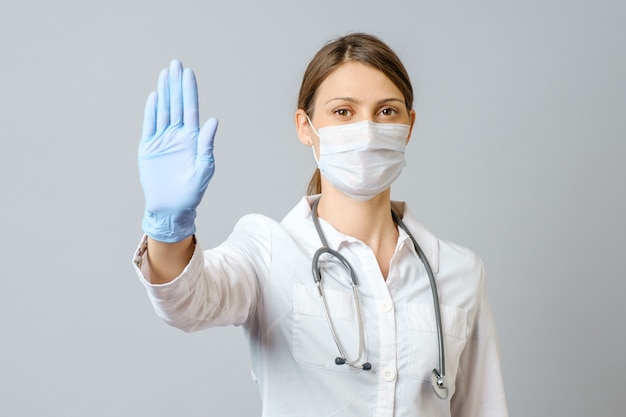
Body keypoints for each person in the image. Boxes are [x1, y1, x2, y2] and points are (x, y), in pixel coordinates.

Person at [133, 33, 508, 417]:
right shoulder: (268, 251)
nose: (367, 130)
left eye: (387, 112)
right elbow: (188, 302)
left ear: (409, 126)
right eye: (343, 112)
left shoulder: (459, 272)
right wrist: (169, 227)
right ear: (305, 126)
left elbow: (484, 409)